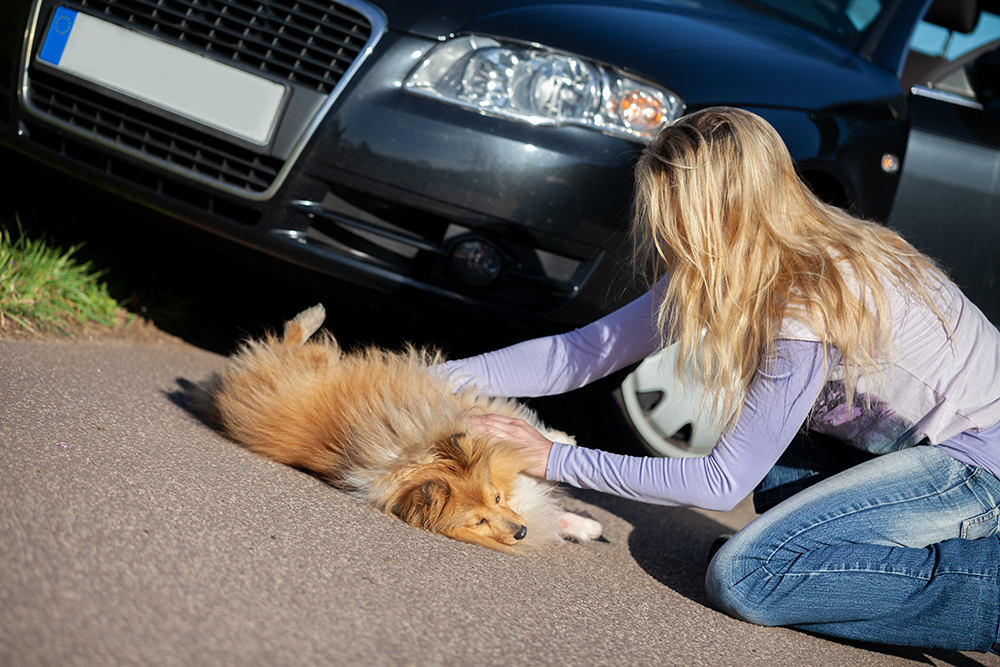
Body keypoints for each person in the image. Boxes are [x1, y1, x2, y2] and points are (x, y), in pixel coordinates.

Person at [441, 107, 1000, 652]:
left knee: (748, 576)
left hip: (981, 462)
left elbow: (720, 483)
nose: (665, 233)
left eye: (675, 213)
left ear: (723, 212)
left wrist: (553, 459)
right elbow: (583, 352)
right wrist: (432, 378)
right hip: (923, 449)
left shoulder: (809, 295)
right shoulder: (738, 262)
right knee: (778, 482)